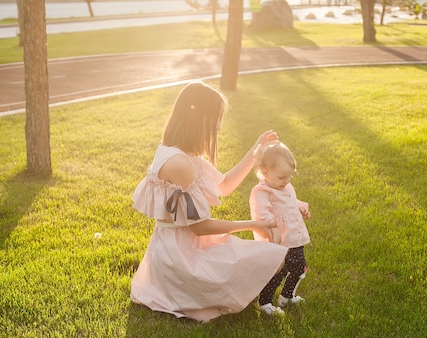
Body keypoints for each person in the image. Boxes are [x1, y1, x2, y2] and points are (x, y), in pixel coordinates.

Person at [130, 81, 288, 322]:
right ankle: (191, 291)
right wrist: (253, 224)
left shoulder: (182, 152)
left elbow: (223, 186)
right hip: (181, 258)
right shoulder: (179, 163)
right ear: (199, 118)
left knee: (266, 258)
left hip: (186, 245)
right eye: (216, 118)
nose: (219, 126)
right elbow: (200, 226)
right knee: (268, 259)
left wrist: (254, 153)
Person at [249, 141, 311, 315]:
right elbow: (262, 215)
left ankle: (287, 296)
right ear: (265, 172)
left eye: (289, 176)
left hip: (294, 237)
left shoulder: (285, 185)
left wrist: (299, 205)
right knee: (278, 272)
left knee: (300, 268)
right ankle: (265, 302)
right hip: (277, 241)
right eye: (282, 178)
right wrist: (274, 229)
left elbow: (289, 200)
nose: (287, 181)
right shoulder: (262, 191)